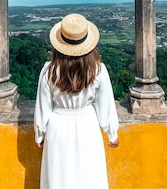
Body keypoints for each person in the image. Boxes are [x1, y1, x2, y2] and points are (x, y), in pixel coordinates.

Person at [34, 13, 119, 189]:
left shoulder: (49, 71)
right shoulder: (98, 70)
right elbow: (106, 104)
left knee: (59, 178)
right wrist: (112, 133)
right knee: (89, 177)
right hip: (88, 125)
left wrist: (40, 135)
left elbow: (43, 107)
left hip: (57, 127)